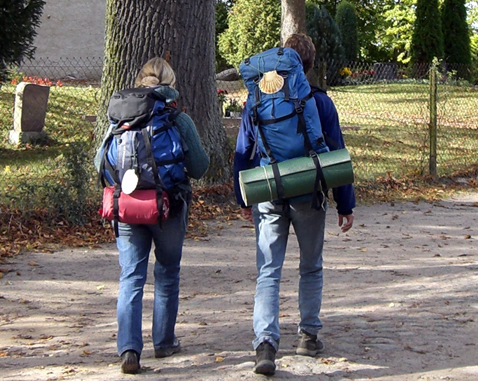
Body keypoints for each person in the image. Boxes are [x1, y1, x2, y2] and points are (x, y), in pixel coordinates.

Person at [232, 34, 356, 376]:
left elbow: (244, 150)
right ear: (310, 64)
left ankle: (265, 345)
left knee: (268, 270)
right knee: (310, 265)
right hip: (308, 192)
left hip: (269, 191)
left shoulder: (257, 98)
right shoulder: (320, 101)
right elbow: (335, 152)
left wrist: (243, 196)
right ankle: (307, 335)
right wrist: (345, 203)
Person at [109, 57, 209, 374]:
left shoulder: (120, 119)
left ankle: (128, 349)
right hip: (168, 206)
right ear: (171, 86)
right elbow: (201, 167)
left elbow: (103, 165)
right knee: (167, 272)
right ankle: (164, 342)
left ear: (140, 82)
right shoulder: (178, 120)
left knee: (131, 277)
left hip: (126, 207)